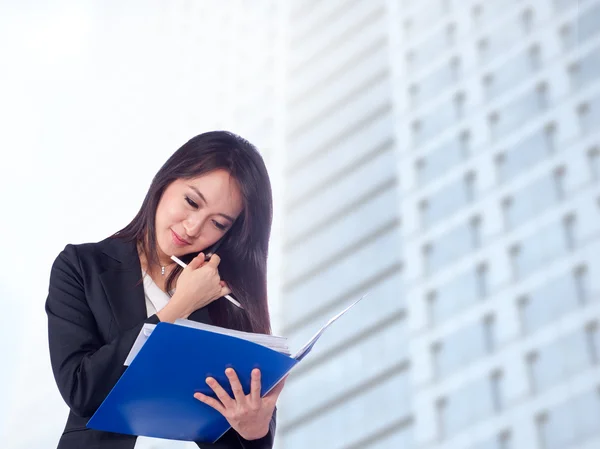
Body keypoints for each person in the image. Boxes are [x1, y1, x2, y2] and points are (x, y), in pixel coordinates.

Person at [45, 131, 284, 449]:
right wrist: (179, 306)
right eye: (191, 202)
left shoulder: (227, 303)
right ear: (166, 181)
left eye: (218, 223)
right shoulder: (81, 267)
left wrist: (255, 432)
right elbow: (81, 390)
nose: (193, 227)